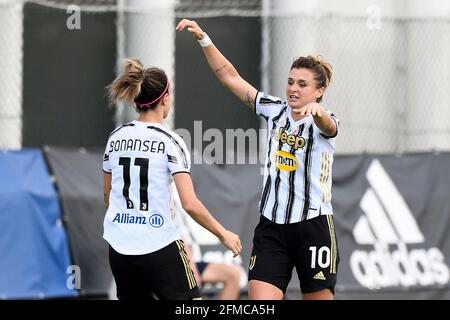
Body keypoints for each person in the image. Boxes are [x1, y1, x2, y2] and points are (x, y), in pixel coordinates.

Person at [176, 19, 340, 300]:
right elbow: (230, 77)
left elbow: (330, 127)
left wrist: (319, 113)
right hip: (272, 227)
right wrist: (205, 40)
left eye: (302, 84)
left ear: (319, 91)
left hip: (313, 227)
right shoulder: (275, 110)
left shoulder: (323, 122)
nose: (293, 89)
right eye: (290, 82)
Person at [102, 58, 242, 300]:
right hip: (160, 245)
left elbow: (108, 196)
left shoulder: (116, 137)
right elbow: (190, 204)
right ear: (165, 98)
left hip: (120, 247)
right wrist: (223, 234)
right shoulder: (170, 140)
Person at [170, 183, 242, 300]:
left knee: (233, 275)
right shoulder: (164, 193)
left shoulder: (176, 189)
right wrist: (223, 234)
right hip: (171, 262)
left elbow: (182, 233)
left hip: (188, 260)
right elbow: (190, 207)